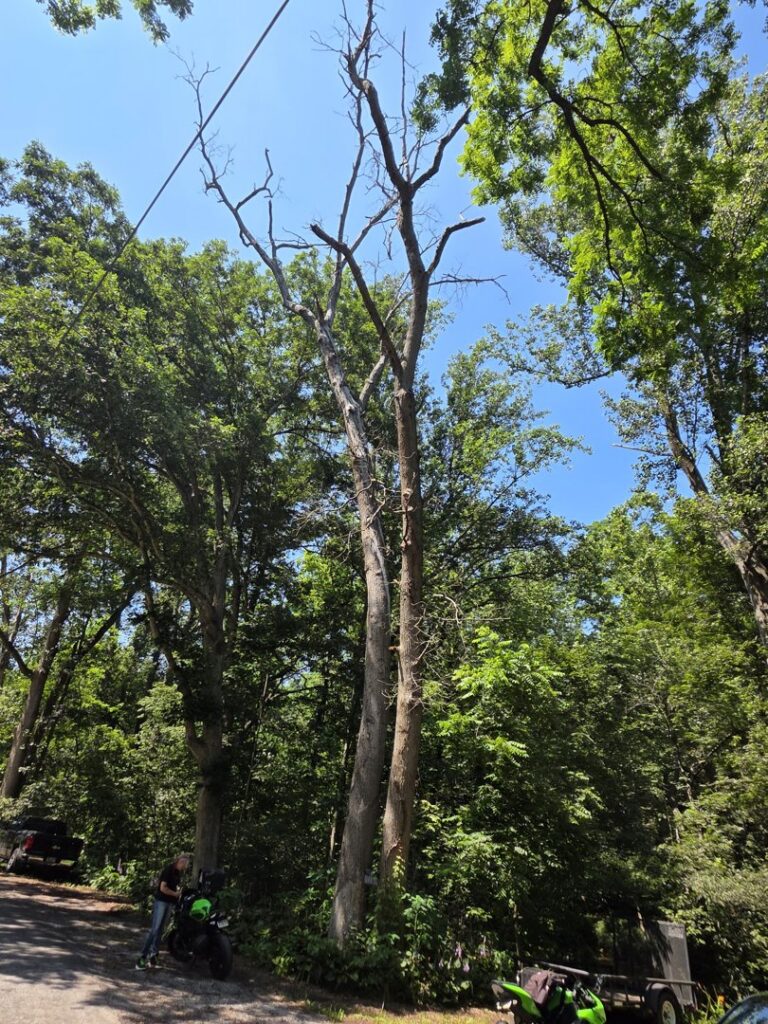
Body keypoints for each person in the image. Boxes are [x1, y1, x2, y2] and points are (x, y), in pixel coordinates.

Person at [135, 852, 191, 970]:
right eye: (185, 865)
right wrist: (175, 894)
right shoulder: (168, 870)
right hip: (161, 902)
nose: (185, 868)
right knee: (154, 930)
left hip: (169, 903)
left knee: (160, 930)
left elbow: (173, 887)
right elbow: (163, 888)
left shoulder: (177, 872)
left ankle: (153, 955)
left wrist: (177, 895)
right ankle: (142, 958)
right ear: (180, 862)